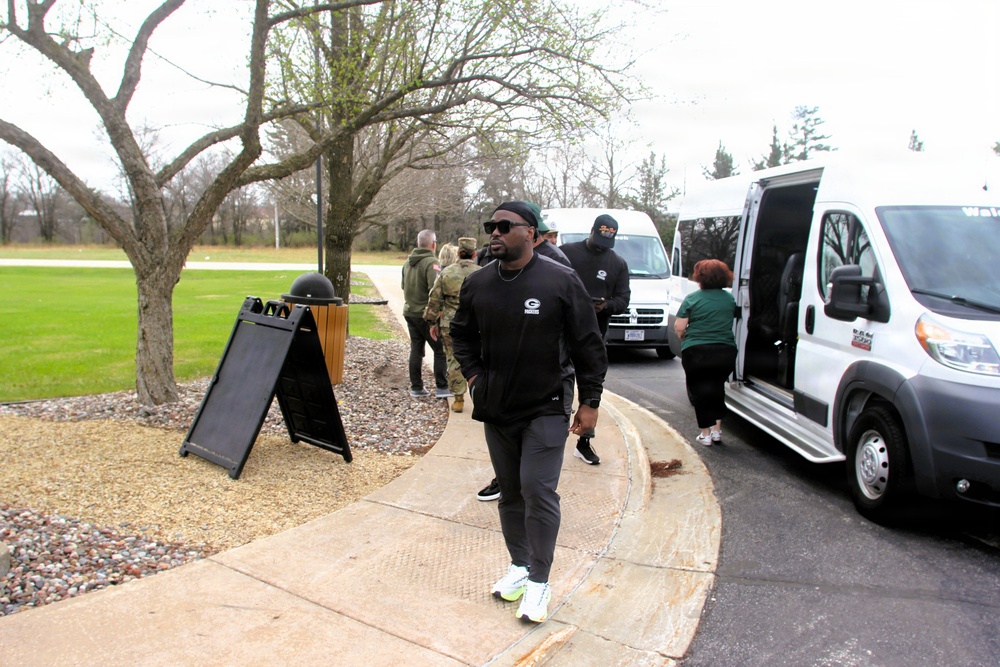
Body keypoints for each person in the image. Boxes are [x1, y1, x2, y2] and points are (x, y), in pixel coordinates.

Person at [450, 200, 607, 624]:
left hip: (547, 404)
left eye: (505, 226)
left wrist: (590, 402)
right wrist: (475, 378)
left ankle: (539, 582)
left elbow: (588, 346)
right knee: (512, 494)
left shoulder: (561, 281)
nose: (495, 233)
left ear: (532, 234)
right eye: (491, 226)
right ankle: (519, 566)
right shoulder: (479, 283)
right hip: (497, 405)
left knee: (538, 490)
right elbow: (460, 334)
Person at [559, 213, 631, 465]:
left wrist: (605, 305)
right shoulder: (567, 252)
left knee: (591, 391)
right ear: (591, 231)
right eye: (599, 238)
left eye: (608, 241)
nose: (602, 245)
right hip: (562, 332)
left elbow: (623, 300)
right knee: (557, 383)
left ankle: (584, 441)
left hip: (594, 335)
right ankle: (553, 435)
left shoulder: (618, 263)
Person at [673, 259, 738, 446]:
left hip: (697, 351)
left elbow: (680, 326)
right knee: (717, 387)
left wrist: (684, 337)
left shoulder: (693, 298)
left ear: (699, 277)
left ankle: (705, 434)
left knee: (700, 391)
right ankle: (717, 431)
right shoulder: (729, 298)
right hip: (725, 350)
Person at [423, 237, 481, 413]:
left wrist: (432, 322)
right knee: (479, 358)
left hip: (451, 324)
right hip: (476, 324)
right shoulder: (482, 273)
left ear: (458, 253)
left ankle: (458, 399)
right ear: (475, 254)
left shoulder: (446, 273)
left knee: (454, 359)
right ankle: (480, 395)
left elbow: (434, 300)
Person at [401, 229, 450, 398]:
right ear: (433, 244)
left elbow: (403, 286)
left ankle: (416, 387)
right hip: (425, 314)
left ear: (418, 243)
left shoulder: (407, 263)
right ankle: (442, 387)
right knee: (440, 350)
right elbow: (435, 291)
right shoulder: (432, 263)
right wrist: (435, 317)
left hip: (410, 311)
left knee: (416, 350)